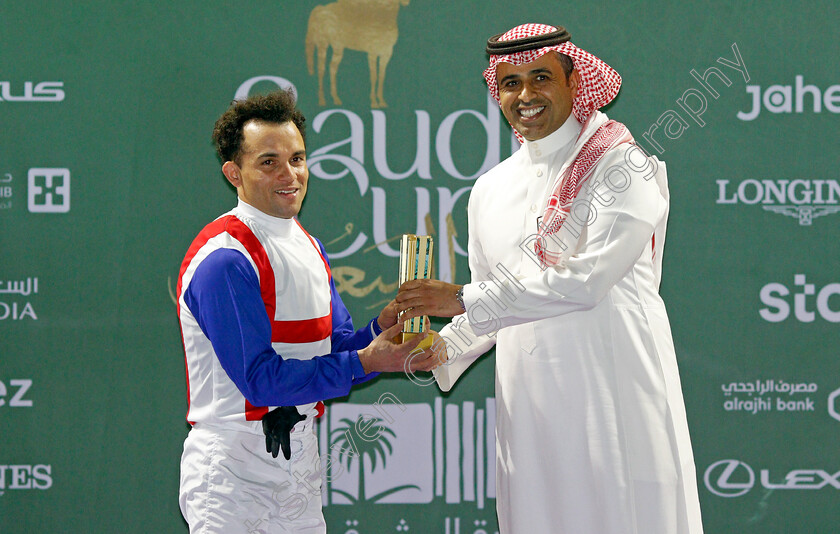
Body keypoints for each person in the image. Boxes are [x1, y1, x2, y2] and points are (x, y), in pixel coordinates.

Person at [396, 24, 704, 533]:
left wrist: (460, 298)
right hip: (531, 406)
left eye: (540, 77)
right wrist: (443, 348)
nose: (525, 95)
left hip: (613, 389)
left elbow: (584, 282)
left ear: (574, 81)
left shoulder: (621, 164)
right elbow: (495, 305)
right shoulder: (490, 190)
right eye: (510, 83)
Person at [176, 89, 439, 533]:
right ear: (233, 173)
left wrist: (383, 328)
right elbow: (260, 380)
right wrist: (365, 360)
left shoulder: (309, 245)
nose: (290, 174)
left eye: (297, 158)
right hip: (231, 471)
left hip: (299, 461)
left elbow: (335, 350)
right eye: (268, 162)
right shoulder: (224, 259)